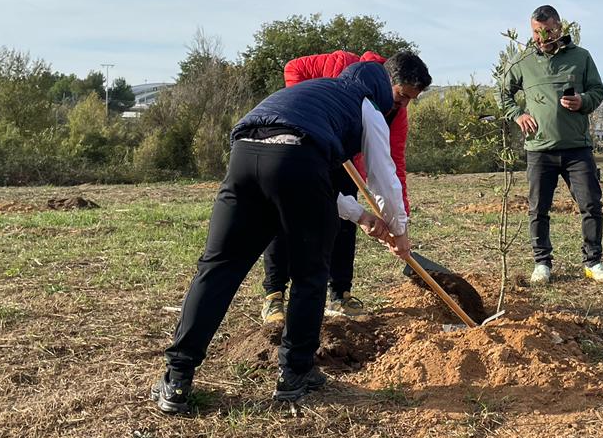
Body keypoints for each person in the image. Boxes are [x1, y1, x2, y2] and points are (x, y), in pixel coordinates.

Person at [151, 59, 420, 414]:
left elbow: (308, 174)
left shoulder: (311, 94)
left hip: (245, 157)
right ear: (383, 91)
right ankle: (296, 373)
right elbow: (382, 174)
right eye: (398, 102)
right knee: (310, 274)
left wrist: (362, 216)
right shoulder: (367, 105)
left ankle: (177, 377)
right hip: (297, 162)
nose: (397, 109)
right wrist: (399, 229)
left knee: (218, 266)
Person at [259, 50, 427, 324]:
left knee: (347, 222)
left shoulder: (397, 114)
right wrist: (312, 119)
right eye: (403, 96)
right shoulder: (341, 64)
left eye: (411, 99)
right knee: (286, 216)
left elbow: (393, 166)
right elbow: (293, 67)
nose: (405, 105)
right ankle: (274, 295)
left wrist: (399, 224)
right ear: (388, 80)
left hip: (348, 161)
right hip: (304, 148)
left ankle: (340, 293)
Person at [498, 4, 603, 285]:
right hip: (539, 149)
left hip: (577, 148)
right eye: (536, 32)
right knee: (538, 208)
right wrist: (518, 114)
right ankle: (542, 263)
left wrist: (582, 101)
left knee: (591, 204)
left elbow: (598, 91)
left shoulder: (581, 57)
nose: (541, 37)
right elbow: (503, 93)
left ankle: (593, 261)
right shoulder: (522, 61)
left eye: (547, 31)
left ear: (559, 27)